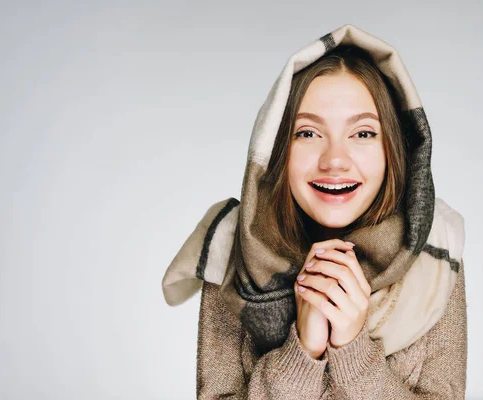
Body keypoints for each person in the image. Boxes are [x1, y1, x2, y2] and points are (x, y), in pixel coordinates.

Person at [162, 23, 467, 399]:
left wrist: (353, 350)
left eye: (363, 133)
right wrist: (302, 353)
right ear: (276, 147)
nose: (335, 160)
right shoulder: (233, 248)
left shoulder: (434, 252)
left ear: (394, 149)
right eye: (307, 133)